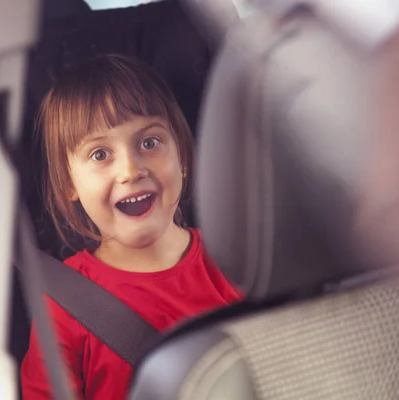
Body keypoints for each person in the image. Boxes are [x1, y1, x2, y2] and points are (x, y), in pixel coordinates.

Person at [20, 54, 242, 400]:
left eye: (149, 143)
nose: (130, 170)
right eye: (100, 155)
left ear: (182, 156)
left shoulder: (234, 262)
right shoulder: (64, 303)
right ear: (69, 184)